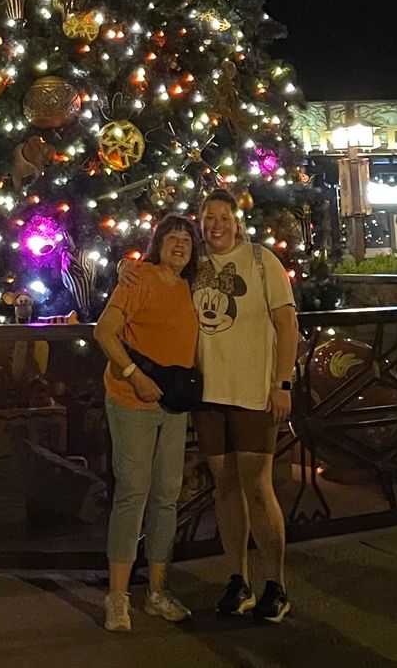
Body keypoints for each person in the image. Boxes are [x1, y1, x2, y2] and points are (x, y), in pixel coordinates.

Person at [120, 187, 299, 625]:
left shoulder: (261, 261)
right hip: (208, 395)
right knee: (225, 488)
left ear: (236, 221)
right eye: (209, 218)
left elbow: (287, 323)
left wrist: (283, 382)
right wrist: (126, 265)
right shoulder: (194, 266)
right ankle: (238, 580)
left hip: (253, 392)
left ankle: (275, 584)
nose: (216, 225)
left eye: (224, 216)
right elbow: (157, 270)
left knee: (257, 486)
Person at [94, 214, 199, 633]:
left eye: (187, 239)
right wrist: (134, 375)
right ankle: (118, 596)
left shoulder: (191, 286)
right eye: (172, 237)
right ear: (158, 244)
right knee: (133, 493)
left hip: (173, 404)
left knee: (167, 496)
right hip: (132, 401)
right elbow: (105, 331)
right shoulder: (140, 278)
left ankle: (156, 590)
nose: (180, 244)